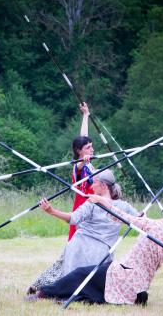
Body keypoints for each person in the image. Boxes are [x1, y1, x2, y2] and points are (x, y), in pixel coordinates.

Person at [27, 194, 163, 305]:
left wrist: (100, 201)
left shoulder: (156, 227)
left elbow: (123, 217)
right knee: (95, 278)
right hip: (139, 284)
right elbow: (157, 227)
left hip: (123, 275)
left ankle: (43, 294)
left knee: (82, 274)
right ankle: (65, 296)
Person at [27, 170, 138, 291]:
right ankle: (50, 289)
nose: (91, 186)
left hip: (80, 248)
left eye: (94, 182)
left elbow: (73, 218)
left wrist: (51, 211)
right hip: (101, 253)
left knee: (62, 273)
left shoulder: (93, 203)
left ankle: (48, 289)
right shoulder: (123, 206)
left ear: (103, 186)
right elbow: (141, 219)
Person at [69, 102, 94, 240]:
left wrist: (86, 115)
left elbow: (83, 137)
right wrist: (83, 160)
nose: (92, 150)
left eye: (91, 147)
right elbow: (79, 166)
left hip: (94, 202)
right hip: (82, 205)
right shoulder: (78, 166)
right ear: (79, 151)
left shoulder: (89, 163)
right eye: (88, 148)